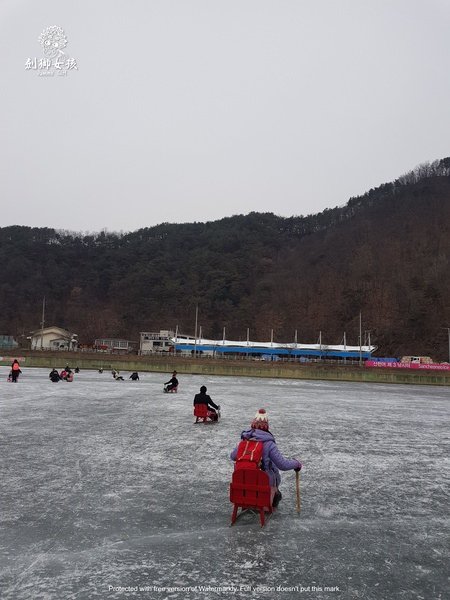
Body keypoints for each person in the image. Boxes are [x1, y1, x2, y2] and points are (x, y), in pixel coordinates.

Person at [230, 408, 302, 507]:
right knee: (270, 475)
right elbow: (282, 465)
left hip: (243, 482)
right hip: (263, 484)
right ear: (267, 427)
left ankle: (247, 500)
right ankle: (273, 497)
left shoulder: (245, 441)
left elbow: (233, 456)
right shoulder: (269, 444)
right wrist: (296, 463)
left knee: (250, 477)